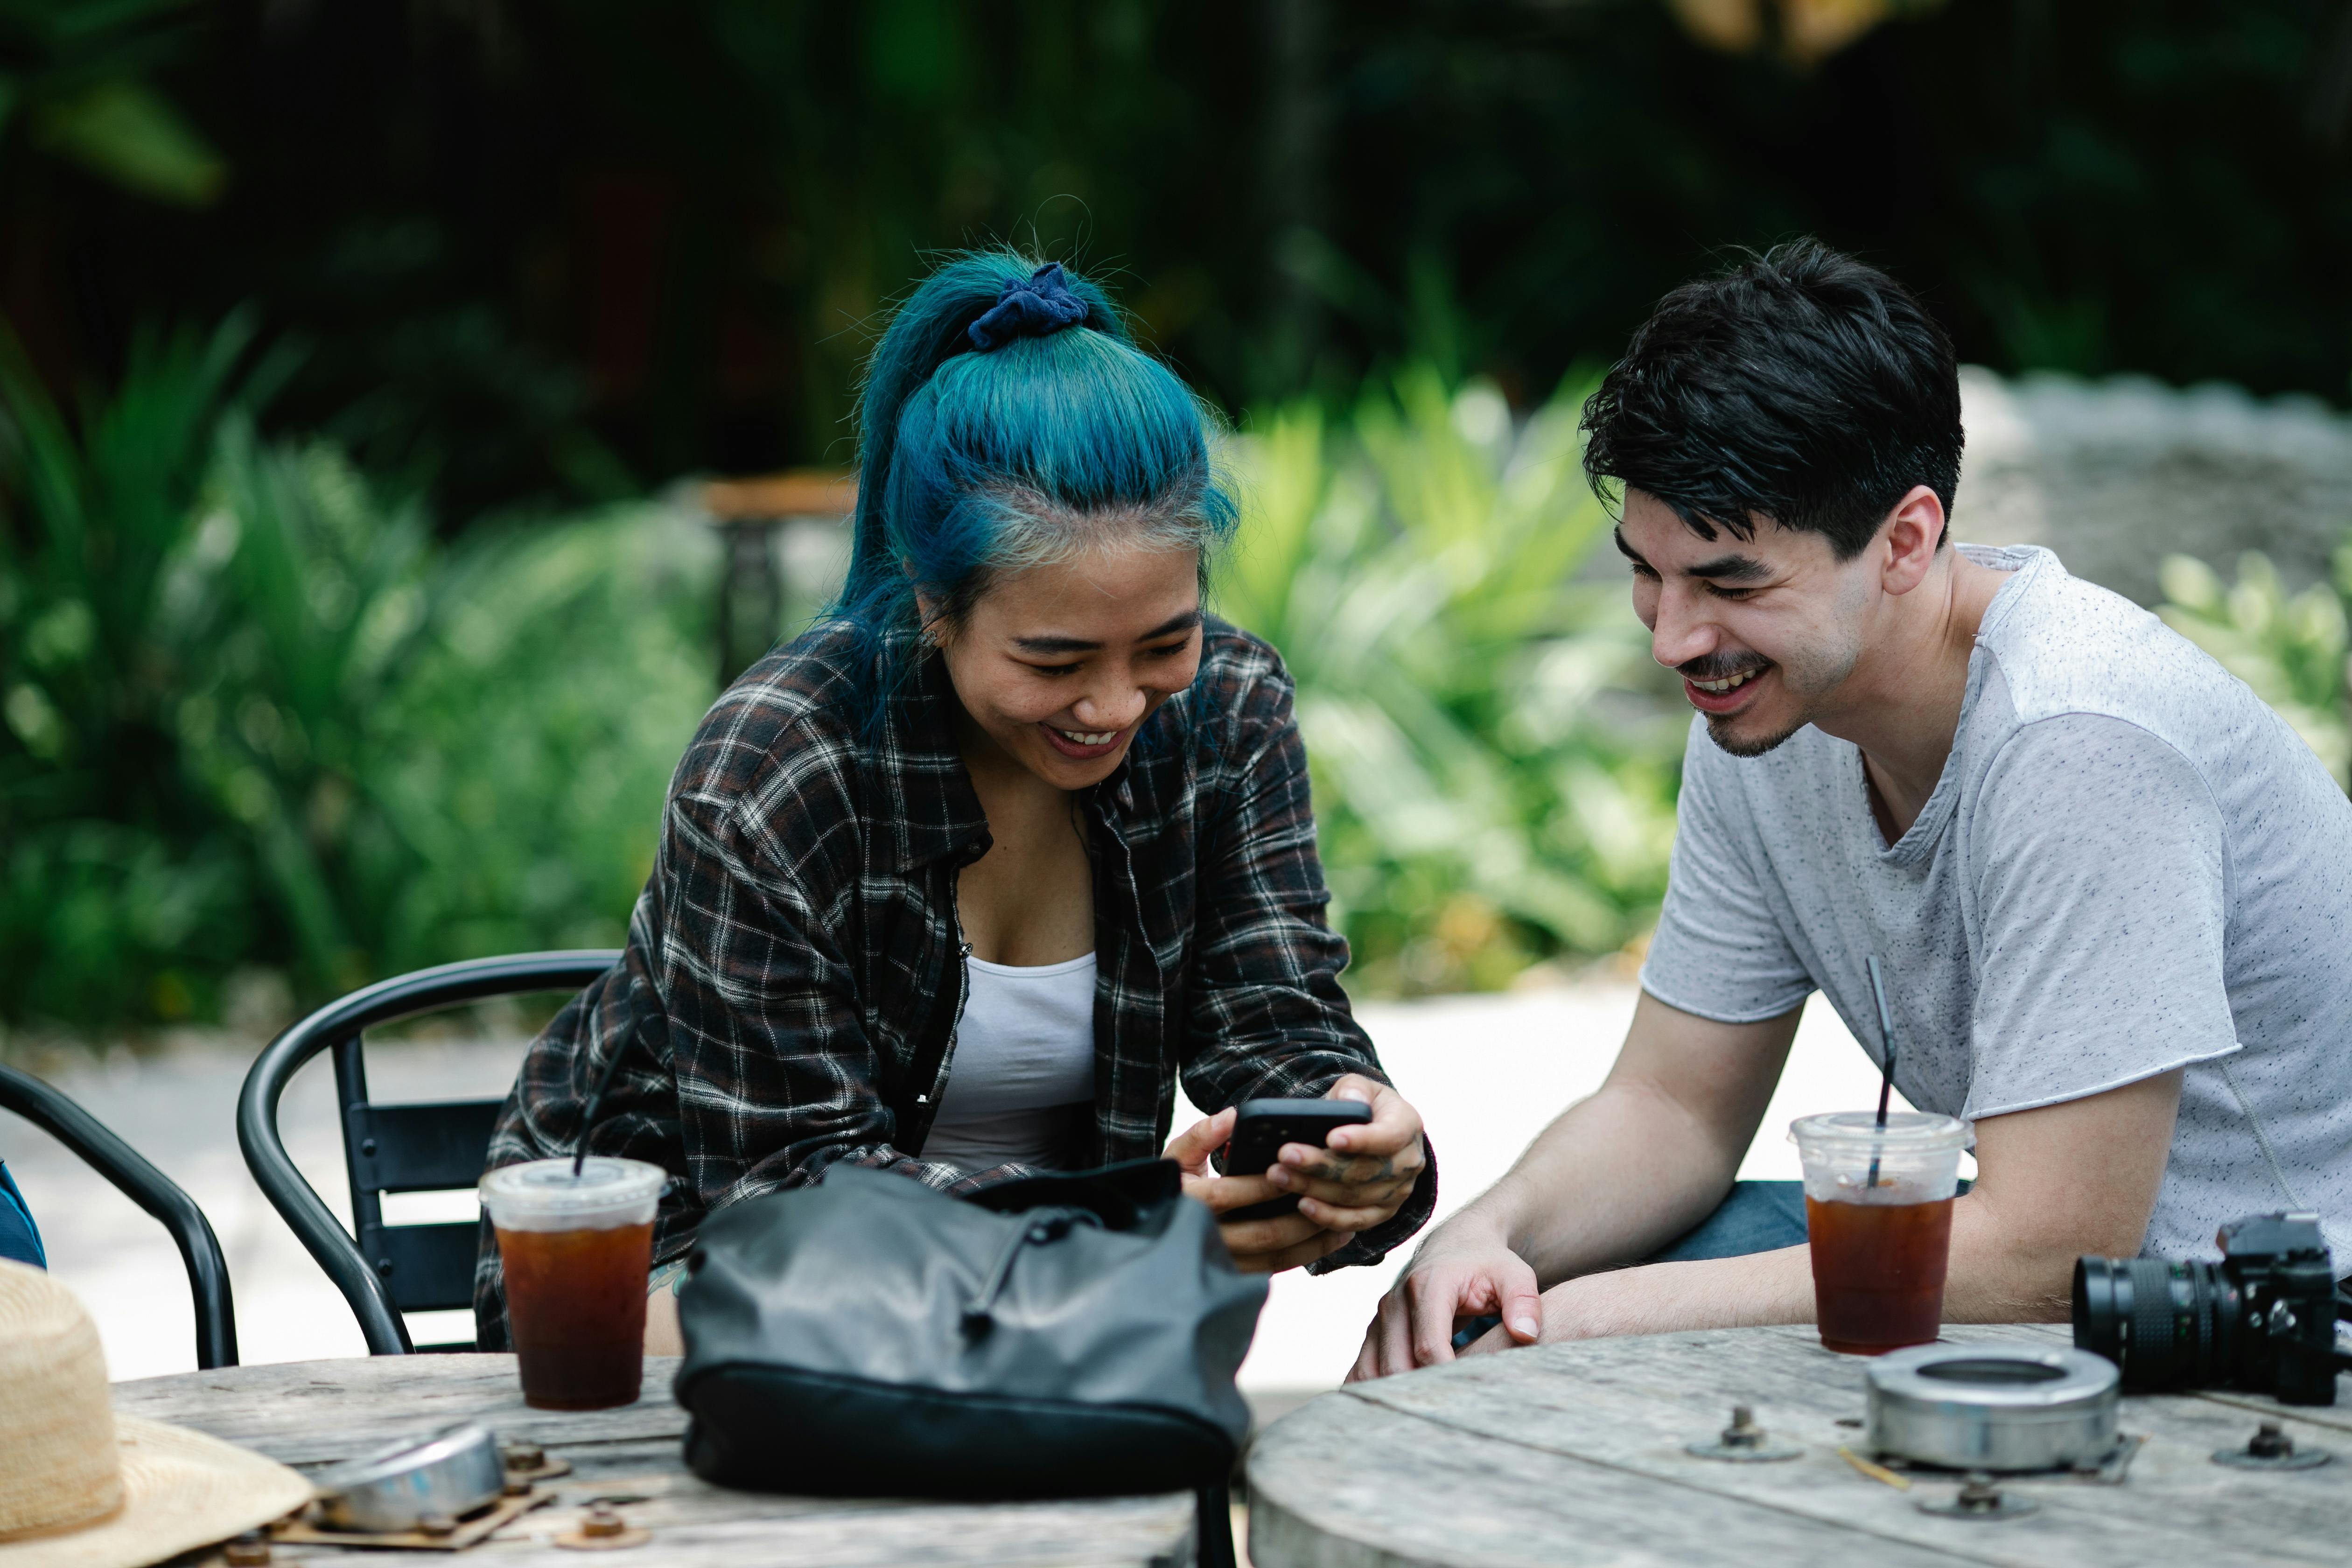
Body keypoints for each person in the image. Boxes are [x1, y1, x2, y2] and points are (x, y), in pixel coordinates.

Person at [1353, 239, 2352, 1379]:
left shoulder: (2081, 736)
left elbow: (2041, 1258)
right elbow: (1672, 1105)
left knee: (1558, 1334)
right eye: (1648, 571)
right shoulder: (1766, 714)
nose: (1674, 638)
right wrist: (1491, 1235)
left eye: (1731, 583)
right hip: (2081, 1286)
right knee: (1484, 1311)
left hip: (2272, 1317)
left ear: (1907, 539)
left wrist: (1591, 1318)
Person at [476, 253, 1435, 1353]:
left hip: (1037, 1302)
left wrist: (1354, 1136)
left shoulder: (1226, 713)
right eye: (1055, 658)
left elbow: (1273, 1020)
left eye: (1165, 642)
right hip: (678, 1272)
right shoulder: (778, 766)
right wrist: (1104, 1231)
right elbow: (791, 1196)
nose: (1117, 704)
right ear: (935, 603)